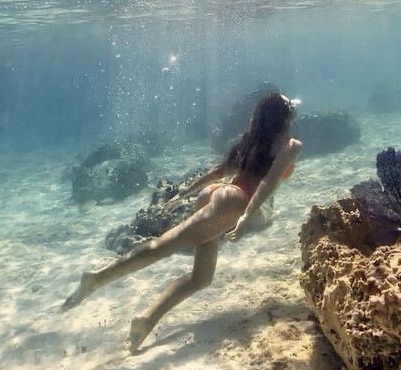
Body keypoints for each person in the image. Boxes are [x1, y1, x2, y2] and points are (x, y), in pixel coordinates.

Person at [61, 92, 302, 351]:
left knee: (201, 278)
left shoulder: (251, 140)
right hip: (234, 203)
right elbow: (266, 183)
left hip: (219, 194)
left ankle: (146, 320)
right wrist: (245, 216)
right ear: (285, 116)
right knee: (165, 245)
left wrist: (187, 192)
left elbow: (220, 172)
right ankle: (96, 279)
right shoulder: (291, 146)